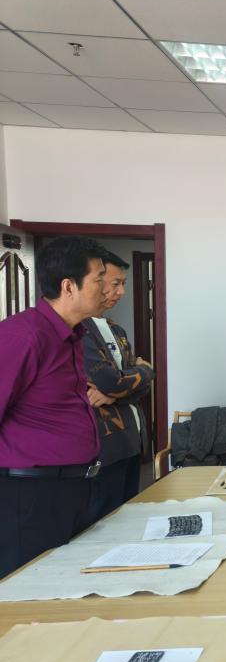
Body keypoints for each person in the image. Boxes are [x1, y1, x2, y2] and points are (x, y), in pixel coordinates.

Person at [0, 236, 108, 578]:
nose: (107, 288)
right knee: (29, 591)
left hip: (73, 488)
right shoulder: (24, 336)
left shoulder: (73, 334)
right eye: (99, 279)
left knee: (67, 586)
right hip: (31, 495)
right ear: (69, 286)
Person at [81, 250, 154, 524]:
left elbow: (138, 388)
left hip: (131, 442)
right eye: (115, 283)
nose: (121, 291)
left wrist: (122, 389)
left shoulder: (116, 330)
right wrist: (144, 370)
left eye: (123, 284)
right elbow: (111, 382)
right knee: (102, 524)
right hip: (104, 447)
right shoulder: (80, 331)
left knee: (126, 521)